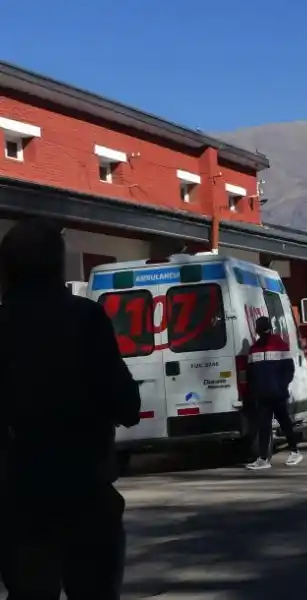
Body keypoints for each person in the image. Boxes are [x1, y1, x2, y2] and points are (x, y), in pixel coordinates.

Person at [0, 219, 141, 599]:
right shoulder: (86, 319)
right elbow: (127, 405)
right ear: (59, 268)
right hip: (85, 495)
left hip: (19, 504)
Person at [245, 316, 305, 471]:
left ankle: (294, 452)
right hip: (265, 394)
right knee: (266, 425)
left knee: (282, 423)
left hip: (275, 393)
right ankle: (264, 458)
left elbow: (288, 370)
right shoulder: (256, 348)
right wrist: (256, 390)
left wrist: (280, 386)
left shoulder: (277, 345)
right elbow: (251, 373)